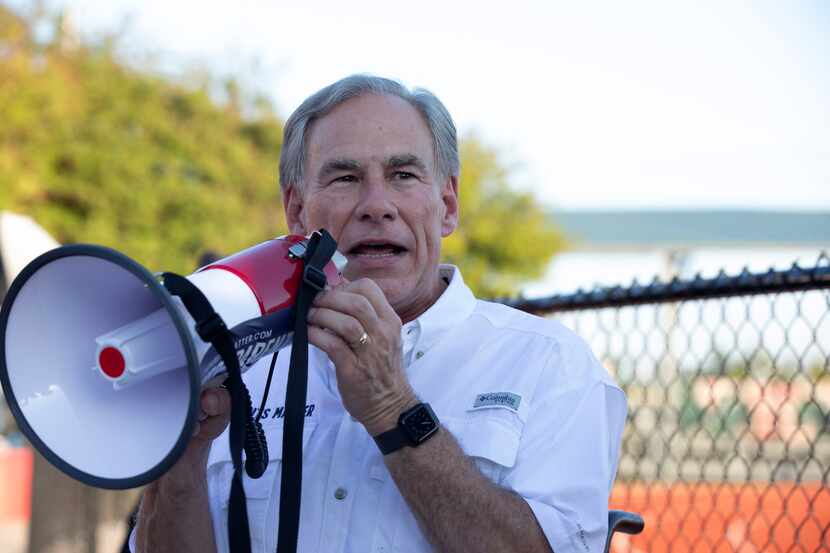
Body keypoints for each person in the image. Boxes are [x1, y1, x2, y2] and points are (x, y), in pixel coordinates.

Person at [133, 75, 627, 553]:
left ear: (447, 204)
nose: (377, 205)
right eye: (346, 178)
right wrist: (183, 460)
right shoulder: (243, 363)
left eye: (403, 175)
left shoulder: (548, 364)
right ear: (296, 210)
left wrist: (393, 408)